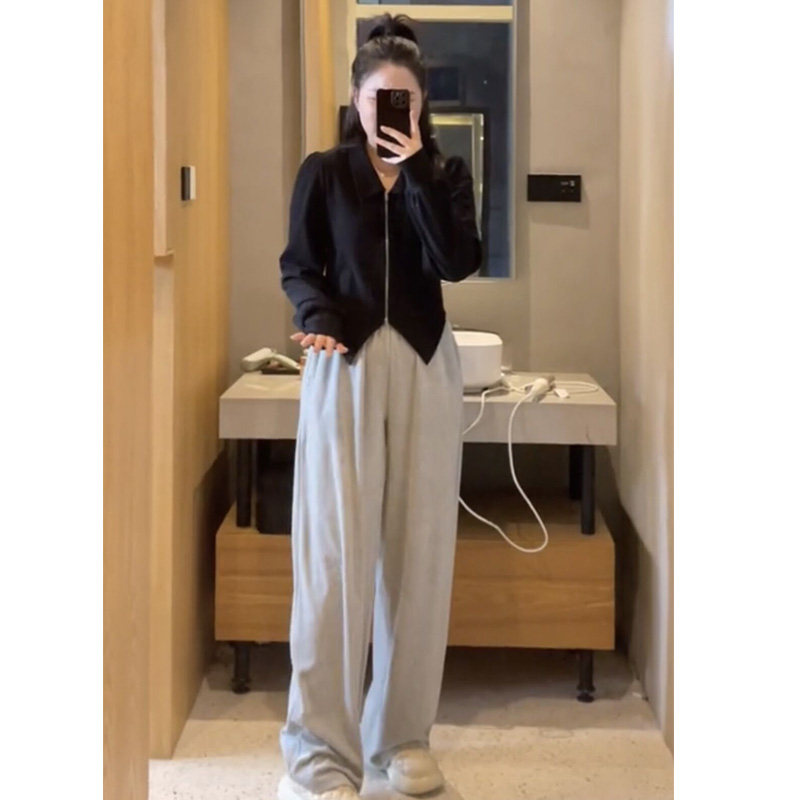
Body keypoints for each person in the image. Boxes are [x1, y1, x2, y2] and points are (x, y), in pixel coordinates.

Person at [277, 13, 482, 800]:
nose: (389, 112)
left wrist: (420, 168)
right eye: (377, 99)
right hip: (346, 362)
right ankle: (319, 753)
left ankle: (402, 738)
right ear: (356, 100)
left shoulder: (445, 174)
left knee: (420, 557)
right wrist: (319, 316)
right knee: (333, 558)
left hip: (427, 364)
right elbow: (300, 266)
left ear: (422, 105)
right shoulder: (325, 174)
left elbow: (456, 263)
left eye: (405, 100)